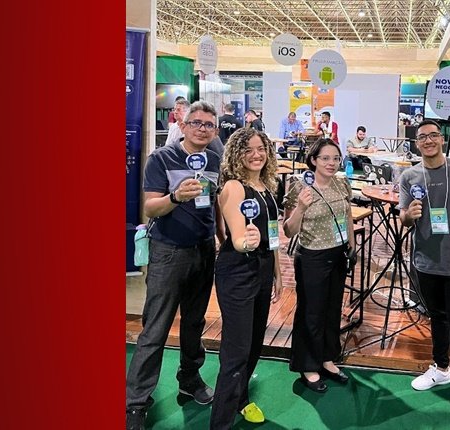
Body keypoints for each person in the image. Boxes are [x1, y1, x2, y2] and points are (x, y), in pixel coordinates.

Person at [126, 101, 221, 430]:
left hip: (204, 251)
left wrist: (224, 240)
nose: (202, 129)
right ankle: (136, 402)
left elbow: (215, 207)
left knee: (194, 323)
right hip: (168, 252)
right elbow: (150, 208)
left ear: (215, 130)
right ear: (183, 124)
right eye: (196, 122)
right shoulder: (161, 159)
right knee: (155, 328)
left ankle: (189, 380)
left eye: (208, 125)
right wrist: (176, 197)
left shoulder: (215, 161)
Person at [397, 119, 450, 414]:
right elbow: (403, 218)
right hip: (425, 261)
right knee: (436, 317)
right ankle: (441, 368)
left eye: (433, 135)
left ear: (442, 139)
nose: (428, 141)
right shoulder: (409, 176)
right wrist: (409, 215)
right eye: (422, 137)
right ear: (416, 143)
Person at [210, 127, 284, 429]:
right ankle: (221, 422)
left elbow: (273, 234)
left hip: (263, 268)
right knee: (236, 350)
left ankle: (240, 400)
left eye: (261, 148)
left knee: (253, 344)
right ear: (236, 154)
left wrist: (277, 273)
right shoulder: (234, 187)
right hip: (238, 270)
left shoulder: (266, 187)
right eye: (248, 149)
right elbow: (238, 237)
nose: (256, 155)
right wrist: (246, 242)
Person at [283, 138, 355, 393]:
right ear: (313, 160)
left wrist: (352, 244)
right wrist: (301, 207)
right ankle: (308, 365)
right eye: (325, 158)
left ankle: (327, 358)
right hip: (312, 257)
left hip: (338, 254)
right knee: (311, 312)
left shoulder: (341, 183)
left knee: (332, 309)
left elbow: (347, 213)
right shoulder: (299, 186)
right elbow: (288, 230)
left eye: (335, 158)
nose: (331, 163)